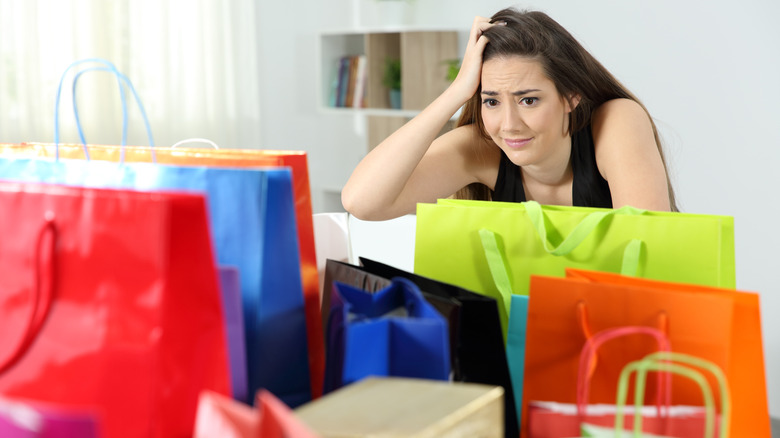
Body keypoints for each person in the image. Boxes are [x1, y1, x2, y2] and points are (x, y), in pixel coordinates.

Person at [341, 7, 677, 221]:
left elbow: (647, 247)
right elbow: (362, 202)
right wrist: (457, 92)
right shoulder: (482, 146)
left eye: (528, 100)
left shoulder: (616, 121)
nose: (509, 126)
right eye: (491, 101)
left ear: (571, 97)